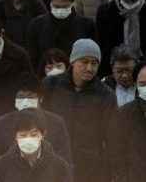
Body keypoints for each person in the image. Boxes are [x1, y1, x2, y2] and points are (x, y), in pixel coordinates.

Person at [43, 39, 116, 182]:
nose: (89, 67)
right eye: (84, 62)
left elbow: (112, 135)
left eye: (94, 63)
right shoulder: (51, 85)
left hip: (90, 166)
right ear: (73, 61)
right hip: (54, 162)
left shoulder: (105, 94)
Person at [0, 109, 74, 182]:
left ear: (43, 135)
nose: (28, 139)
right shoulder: (2, 165)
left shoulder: (60, 166)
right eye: (23, 135)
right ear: (15, 136)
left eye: (33, 134)